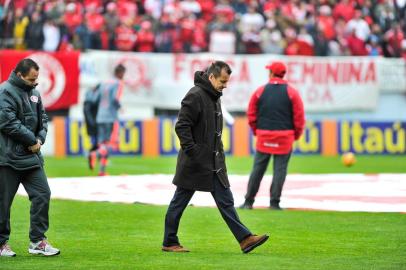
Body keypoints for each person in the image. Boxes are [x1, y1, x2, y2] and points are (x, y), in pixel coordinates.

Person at [162, 61, 269, 253]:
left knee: (226, 201)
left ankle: (245, 239)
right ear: (211, 77)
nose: (225, 85)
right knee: (179, 202)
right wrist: (193, 151)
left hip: (213, 163)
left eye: (226, 81)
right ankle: (169, 242)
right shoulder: (195, 95)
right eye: (222, 81)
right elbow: (181, 126)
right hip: (195, 162)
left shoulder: (214, 96)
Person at [0, 58, 60, 257]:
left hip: (31, 156)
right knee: (3, 203)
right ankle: (1, 243)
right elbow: (7, 122)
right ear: (19, 75)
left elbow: (43, 118)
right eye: (31, 79)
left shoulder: (34, 93)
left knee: (43, 194)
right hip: (7, 158)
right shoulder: (5, 91)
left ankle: (37, 241)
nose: (35, 82)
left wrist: (40, 139)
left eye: (37, 78)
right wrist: (31, 140)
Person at [240, 61, 305, 210]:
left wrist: (257, 131)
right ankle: (274, 203)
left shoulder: (260, 91)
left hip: (264, 136)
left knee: (258, 169)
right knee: (279, 170)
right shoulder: (292, 93)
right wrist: (295, 135)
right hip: (285, 137)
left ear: (271, 73)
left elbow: (251, 114)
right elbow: (299, 117)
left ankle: (248, 202)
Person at [88, 64, 126, 176]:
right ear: (120, 73)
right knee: (112, 144)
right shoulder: (118, 83)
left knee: (103, 144)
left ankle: (102, 171)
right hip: (111, 117)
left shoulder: (104, 83)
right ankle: (94, 154)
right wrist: (120, 107)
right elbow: (115, 98)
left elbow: (94, 99)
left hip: (100, 117)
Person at [83, 83, 100, 154]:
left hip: (94, 120)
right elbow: (87, 112)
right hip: (93, 120)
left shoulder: (91, 101)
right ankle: (92, 152)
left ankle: (94, 152)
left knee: (96, 136)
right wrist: (91, 121)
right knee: (94, 135)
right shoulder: (89, 101)